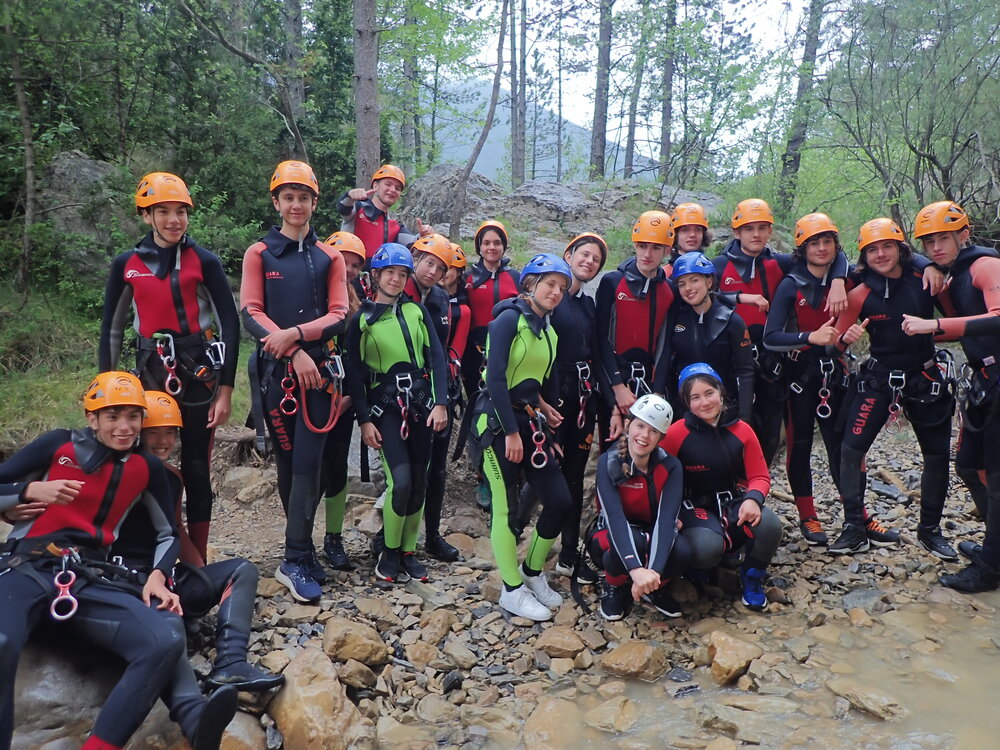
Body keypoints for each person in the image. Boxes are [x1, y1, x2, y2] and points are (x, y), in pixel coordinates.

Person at [0, 372, 210, 750]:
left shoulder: (146, 468)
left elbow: (167, 533)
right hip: (27, 566)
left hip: (86, 577)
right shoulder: (58, 444)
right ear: (92, 418)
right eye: (112, 416)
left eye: (133, 416)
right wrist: (28, 490)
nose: (124, 427)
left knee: (162, 641)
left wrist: (158, 575)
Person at [99, 171, 240, 562]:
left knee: (195, 465)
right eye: (163, 211)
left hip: (197, 373)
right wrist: (107, 392)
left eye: (181, 211)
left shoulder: (204, 261)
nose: (174, 220)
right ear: (146, 215)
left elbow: (230, 324)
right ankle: (143, 552)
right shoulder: (127, 264)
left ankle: (198, 559)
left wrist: (225, 390)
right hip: (150, 370)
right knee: (143, 460)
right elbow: (111, 329)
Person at [110, 390, 284, 693]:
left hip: (165, 579)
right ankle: (180, 689)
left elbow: (176, 529)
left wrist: (203, 576)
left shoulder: (173, 478)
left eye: (170, 433)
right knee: (169, 631)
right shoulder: (119, 472)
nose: (163, 441)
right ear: (138, 434)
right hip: (125, 581)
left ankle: (231, 663)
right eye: (154, 433)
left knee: (242, 570)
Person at [240, 160, 349, 602]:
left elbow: (340, 314)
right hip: (279, 375)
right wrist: (294, 349)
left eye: (303, 197)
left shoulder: (330, 257)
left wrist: (297, 335)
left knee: (309, 464)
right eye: (288, 197)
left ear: (314, 203)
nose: (296, 205)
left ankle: (297, 553)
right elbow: (250, 311)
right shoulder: (260, 254)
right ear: (276, 202)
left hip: (318, 377)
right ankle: (297, 554)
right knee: (288, 463)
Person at [830, 218, 956, 557]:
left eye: (887, 246)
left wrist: (930, 324)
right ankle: (854, 527)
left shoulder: (926, 280)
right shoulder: (859, 294)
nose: (881, 254)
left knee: (936, 455)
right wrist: (845, 339)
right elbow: (832, 346)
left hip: (925, 378)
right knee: (851, 450)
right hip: (879, 378)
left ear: (901, 249)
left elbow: (955, 323)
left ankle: (930, 531)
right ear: (864, 256)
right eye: (872, 249)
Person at [901, 201, 1000, 592]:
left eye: (943, 238)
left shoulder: (985, 265)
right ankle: (995, 549)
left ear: (964, 234)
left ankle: (990, 567)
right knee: (969, 466)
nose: (936, 247)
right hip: (985, 381)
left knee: (995, 475)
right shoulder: (954, 272)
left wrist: (935, 324)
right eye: (929, 242)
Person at [472, 253, 574, 622]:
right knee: (505, 507)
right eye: (550, 284)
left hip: (530, 421)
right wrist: (512, 432)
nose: (556, 292)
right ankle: (511, 590)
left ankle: (531, 572)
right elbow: (496, 379)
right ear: (530, 284)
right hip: (496, 422)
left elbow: (537, 382)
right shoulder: (507, 321)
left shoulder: (549, 331)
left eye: (561, 288)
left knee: (560, 500)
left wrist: (545, 411)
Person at [713, 199, 848, 467]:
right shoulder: (718, 265)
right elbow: (696, 292)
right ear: (736, 232)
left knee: (770, 434)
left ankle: (758, 484)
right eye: (749, 228)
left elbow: (831, 254)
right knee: (729, 426)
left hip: (771, 359)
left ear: (770, 231)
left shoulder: (779, 263)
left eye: (762, 228)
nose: (756, 234)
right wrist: (740, 297)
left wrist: (837, 280)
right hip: (730, 359)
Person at [344, 244, 449, 583]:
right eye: (390, 272)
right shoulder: (361, 320)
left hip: (419, 405)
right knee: (401, 482)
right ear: (376, 275)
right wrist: (364, 420)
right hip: (386, 408)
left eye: (402, 274)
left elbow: (436, 358)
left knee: (419, 482)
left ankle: (408, 551)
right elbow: (355, 375)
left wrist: (441, 402)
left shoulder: (417, 311)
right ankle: (389, 551)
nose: (396, 279)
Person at [762, 213, 855, 546]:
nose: (822, 248)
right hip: (800, 375)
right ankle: (808, 516)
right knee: (799, 446)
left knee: (841, 447)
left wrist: (840, 279)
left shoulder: (844, 276)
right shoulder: (791, 284)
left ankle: (856, 515)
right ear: (802, 249)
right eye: (814, 243)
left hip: (834, 373)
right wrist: (808, 337)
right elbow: (770, 337)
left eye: (827, 241)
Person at [520, 234, 608, 585]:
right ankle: (514, 532)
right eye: (584, 254)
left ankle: (568, 553)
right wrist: (538, 400)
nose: (589, 262)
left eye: (596, 259)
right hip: (553, 397)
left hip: (583, 397)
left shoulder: (588, 305)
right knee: (544, 468)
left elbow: (597, 351)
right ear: (568, 255)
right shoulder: (551, 300)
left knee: (573, 472)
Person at [660, 364, 782, 612]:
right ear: (686, 402)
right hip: (693, 507)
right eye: (695, 397)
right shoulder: (675, 434)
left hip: (732, 502)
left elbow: (759, 476)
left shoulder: (742, 430)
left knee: (770, 525)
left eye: (709, 393)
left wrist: (753, 499)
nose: (705, 402)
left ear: (721, 392)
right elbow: (659, 480)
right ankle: (700, 570)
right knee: (707, 548)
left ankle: (752, 576)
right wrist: (670, 515)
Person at [589, 394, 685, 621]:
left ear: (661, 437)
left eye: (653, 431)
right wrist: (636, 569)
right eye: (640, 426)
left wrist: (652, 573)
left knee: (683, 550)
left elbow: (666, 519)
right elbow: (614, 517)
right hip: (611, 532)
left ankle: (653, 587)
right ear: (628, 424)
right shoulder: (608, 462)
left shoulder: (671, 466)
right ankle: (614, 585)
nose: (644, 436)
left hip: (650, 529)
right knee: (631, 541)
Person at [595, 211, 676, 445]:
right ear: (635, 246)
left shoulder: (670, 290)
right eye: (642, 246)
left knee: (645, 449)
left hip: (649, 380)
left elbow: (666, 345)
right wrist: (617, 388)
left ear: (667, 250)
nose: (647, 254)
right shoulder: (612, 282)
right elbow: (600, 340)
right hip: (615, 377)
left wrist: (658, 391)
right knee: (612, 450)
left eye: (655, 248)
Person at [405, 234, 463, 562]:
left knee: (437, 469)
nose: (432, 271)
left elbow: (440, 348)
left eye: (440, 268)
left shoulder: (441, 298)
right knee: (409, 470)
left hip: (437, 389)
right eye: (428, 263)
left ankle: (432, 535)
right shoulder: (398, 288)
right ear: (416, 259)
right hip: (405, 393)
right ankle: (395, 539)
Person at [319, 231, 366, 571]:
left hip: (342, 399)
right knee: (308, 472)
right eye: (343, 262)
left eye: (355, 266)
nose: (348, 270)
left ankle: (333, 537)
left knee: (337, 470)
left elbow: (356, 359)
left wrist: (349, 398)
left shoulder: (357, 305)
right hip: (310, 396)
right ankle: (300, 540)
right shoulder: (310, 296)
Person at [664, 251, 754, 420]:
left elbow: (745, 371)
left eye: (694, 280)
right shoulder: (675, 318)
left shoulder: (731, 321)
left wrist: (744, 418)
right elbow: (665, 358)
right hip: (686, 410)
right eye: (682, 284)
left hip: (725, 408)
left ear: (709, 281)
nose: (688, 288)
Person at [462, 220, 521, 401]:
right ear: (479, 248)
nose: (492, 247)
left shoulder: (516, 278)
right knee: (475, 402)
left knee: (504, 401)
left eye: (497, 243)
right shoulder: (467, 278)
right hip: (473, 353)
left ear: (504, 247)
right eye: (486, 243)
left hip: (507, 352)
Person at [336, 164, 432, 259]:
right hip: (348, 267)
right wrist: (349, 196)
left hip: (377, 269)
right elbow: (343, 208)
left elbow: (414, 244)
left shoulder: (395, 226)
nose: (393, 190)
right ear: (375, 186)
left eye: (397, 188)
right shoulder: (358, 209)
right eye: (388, 184)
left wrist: (424, 236)